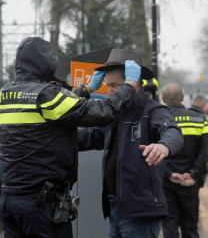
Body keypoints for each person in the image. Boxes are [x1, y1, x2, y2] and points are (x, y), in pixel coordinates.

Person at [0, 37, 141, 238]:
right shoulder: (47, 96)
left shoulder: (6, 94)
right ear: (47, 62)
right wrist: (129, 85)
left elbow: (55, 109)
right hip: (41, 206)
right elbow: (104, 112)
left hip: (10, 201)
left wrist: (87, 89)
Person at [77, 49, 184, 238]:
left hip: (140, 213)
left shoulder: (152, 110)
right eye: (107, 85)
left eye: (115, 86)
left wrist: (163, 146)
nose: (109, 92)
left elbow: (172, 131)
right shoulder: (113, 115)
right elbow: (85, 136)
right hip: (115, 208)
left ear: (135, 84)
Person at [161, 83, 208, 238]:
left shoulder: (159, 118)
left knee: (169, 226)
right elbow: (206, 150)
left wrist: (169, 173)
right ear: (183, 98)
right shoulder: (199, 118)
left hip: (166, 182)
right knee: (190, 227)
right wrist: (193, 173)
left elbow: (152, 151)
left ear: (163, 99)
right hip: (190, 183)